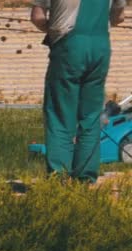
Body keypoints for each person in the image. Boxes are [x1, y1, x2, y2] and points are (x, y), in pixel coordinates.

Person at [31, 0, 126, 182]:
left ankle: (59, 177)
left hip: (69, 46)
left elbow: (37, 17)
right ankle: (86, 177)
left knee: (60, 114)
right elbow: (118, 16)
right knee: (91, 116)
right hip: (100, 46)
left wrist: (54, 29)